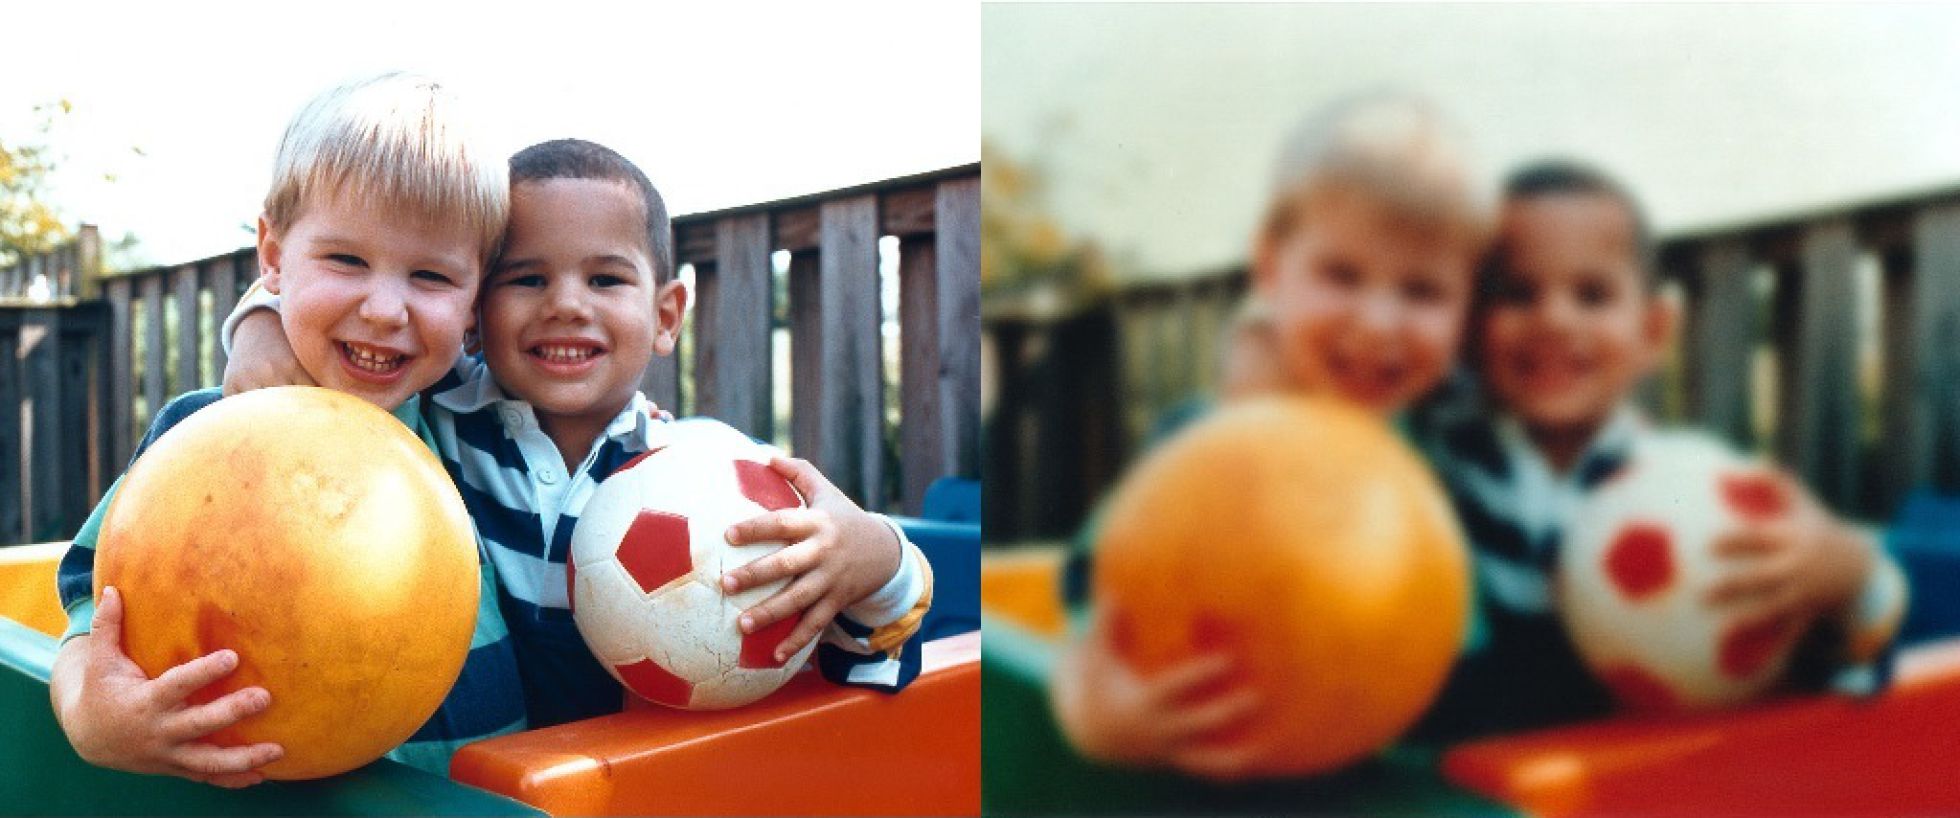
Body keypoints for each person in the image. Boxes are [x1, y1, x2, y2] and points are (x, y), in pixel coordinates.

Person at [222, 138, 934, 727]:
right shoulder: (430, 412)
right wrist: (259, 325)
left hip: (630, 785)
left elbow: (864, 650)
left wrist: (878, 560)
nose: (566, 304)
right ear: (472, 309)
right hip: (462, 783)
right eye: (527, 279)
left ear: (665, 315)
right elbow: (335, 302)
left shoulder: (717, 480)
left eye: (605, 281)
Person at [49, 71, 526, 786]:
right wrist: (91, 718)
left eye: (430, 276)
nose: (386, 309)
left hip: (475, 800)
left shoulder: (476, 429)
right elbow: (94, 606)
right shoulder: (203, 437)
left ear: (473, 300)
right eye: (346, 260)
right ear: (272, 257)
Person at [1048, 92, 1495, 780]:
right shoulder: (1201, 447)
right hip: (1217, 776)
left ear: (1465, 307)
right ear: (1270, 268)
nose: (1378, 321)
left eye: (1422, 292)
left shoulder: (1458, 455)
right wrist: (1092, 713)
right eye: (1341, 275)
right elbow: (1092, 607)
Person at [1408, 160, 1909, 738]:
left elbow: (1866, 659)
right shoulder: (1437, 452)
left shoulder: (1692, 493)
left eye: (1592, 295)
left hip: (1621, 768)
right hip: (1461, 772)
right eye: (1517, 293)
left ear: (1653, 332)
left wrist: (1849, 576)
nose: (1553, 318)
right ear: (1469, 325)